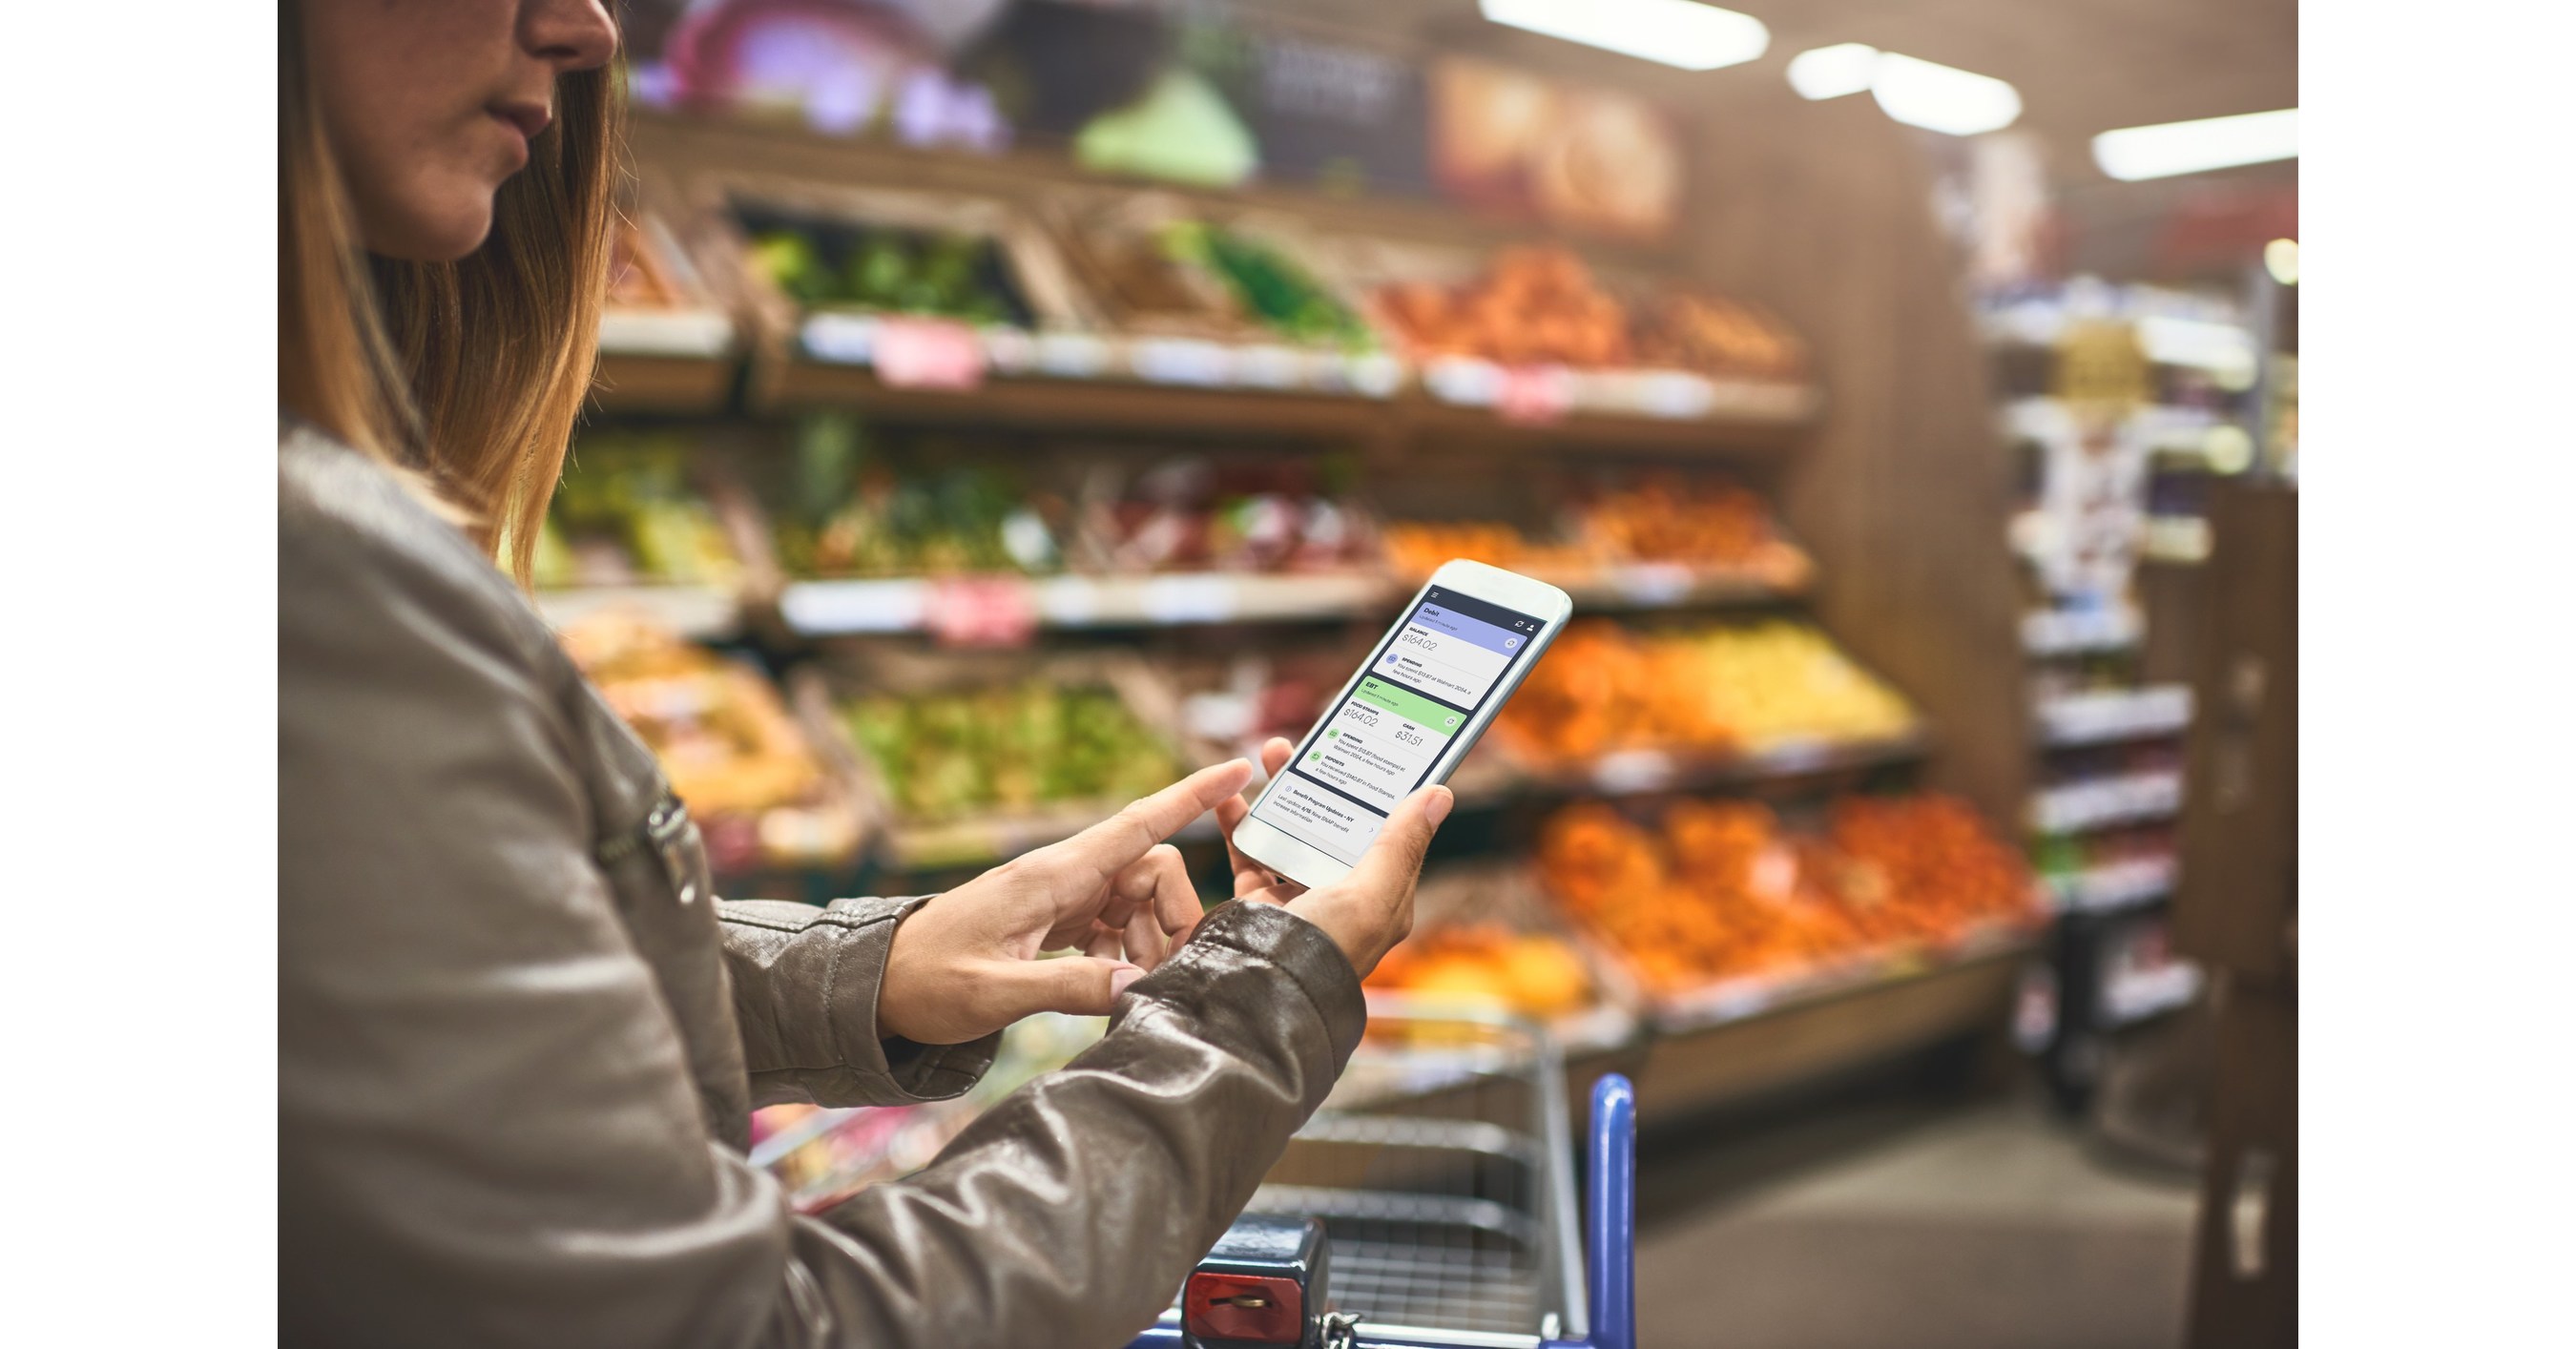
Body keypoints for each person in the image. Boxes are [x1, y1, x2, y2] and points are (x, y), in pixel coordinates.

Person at [278, 3, 1454, 1345]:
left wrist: (873, 968)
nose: (591, 28)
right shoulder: (322, 582)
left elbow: (417, 1001)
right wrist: (1252, 1004)